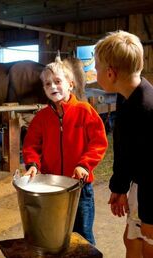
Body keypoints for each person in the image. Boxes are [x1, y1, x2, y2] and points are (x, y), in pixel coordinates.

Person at [22, 56, 108, 245]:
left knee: (83, 234)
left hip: (80, 187)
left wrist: (85, 165)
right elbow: (30, 145)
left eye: (58, 82)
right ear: (44, 89)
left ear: (70, 84)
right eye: (47, 84)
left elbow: (98, 142)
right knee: (56, 233)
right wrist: (33, 164)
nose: (53, 87)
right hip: (52, 187)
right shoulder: (42, 118)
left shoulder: (85, 111)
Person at [94, 30, 153, 257]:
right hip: (140, 184)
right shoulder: (126, 95)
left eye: (96, 68)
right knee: (132, 243)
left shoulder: (148, 109)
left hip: (151, 188)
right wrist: (119, 187)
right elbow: (124, 146)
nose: (95, 72)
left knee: (148, 246)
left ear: (110, 73)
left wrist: (148, 217)